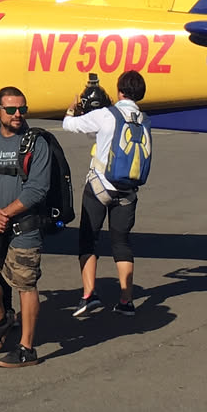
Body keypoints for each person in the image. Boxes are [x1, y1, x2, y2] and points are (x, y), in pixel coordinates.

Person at [0, 86, 50, 368]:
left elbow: (37, 189)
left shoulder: (36, 143)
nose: (18, 114)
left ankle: (27, 348)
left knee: (25, 285)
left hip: (23, 228)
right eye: (12, 109)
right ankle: (1, 320)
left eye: (22, 109)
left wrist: (3, 214)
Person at [61, 70, 150, 317]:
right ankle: (126, 300)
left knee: (88, 240)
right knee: (121, 243)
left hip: (100, 187)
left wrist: (72, 110)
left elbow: (69, 125)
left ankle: (89, 295)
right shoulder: (143, 119)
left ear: (119, 91)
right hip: (127, 191)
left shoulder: (105, 115)